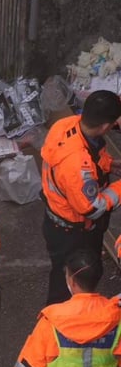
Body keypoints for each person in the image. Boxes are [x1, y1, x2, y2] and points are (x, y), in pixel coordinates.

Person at [40, 90, 121, 305]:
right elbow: (92, 208)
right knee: (68, 283)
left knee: (73, 272)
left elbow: (93, 155)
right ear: (105, 127)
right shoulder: (76, 164)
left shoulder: (66, 125)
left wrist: (109, 165)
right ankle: (62, 322)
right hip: (73, 231)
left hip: (59, 221)